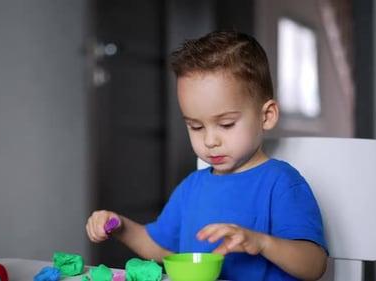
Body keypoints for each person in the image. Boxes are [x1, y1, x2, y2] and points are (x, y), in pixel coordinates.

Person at [86, 30, 328, 281]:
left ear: (266, 116)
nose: (210, 141)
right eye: (196, 127)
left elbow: (314, 265)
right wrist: (121, 227)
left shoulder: (281, 183)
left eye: (226, 124)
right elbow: (161, 248)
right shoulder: (192, 187)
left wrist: (263, 243)